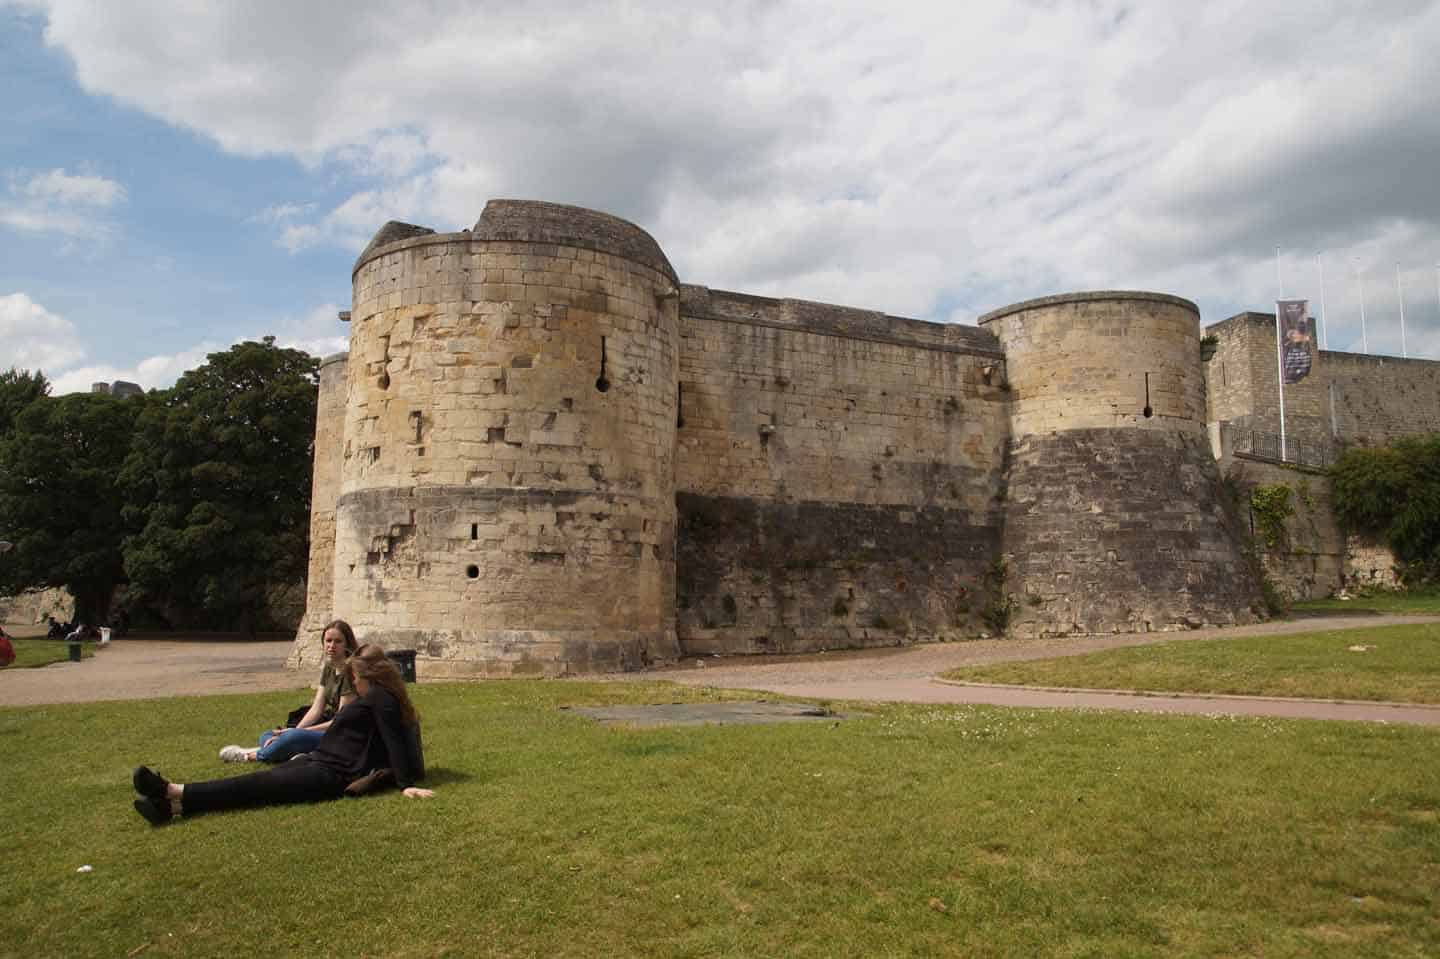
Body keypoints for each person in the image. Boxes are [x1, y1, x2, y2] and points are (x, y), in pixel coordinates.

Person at [131, 644, 431, 825]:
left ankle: (173, 791)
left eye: (355, 677)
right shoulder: (381, 697)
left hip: (332, 773)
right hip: (319, 761)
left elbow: (394, 739)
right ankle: (171, 806)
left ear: (366, 676)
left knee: (255, 786)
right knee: (253, 786)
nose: (354, 683)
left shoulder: (381, 698)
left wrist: (405, 784)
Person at [218, 619, 359, 763]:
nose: (332, 646)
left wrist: (298, 733)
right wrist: (292, 731)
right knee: (269, 734)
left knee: (293, 737)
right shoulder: (329, 668)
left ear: (347, 644)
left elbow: (340, 721)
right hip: (326, 728)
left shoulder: (350, 673)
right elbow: (316, 709)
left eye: (338, 641)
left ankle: (249, 755)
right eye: (328, 641)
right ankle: (293, 753)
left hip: (340, 734)